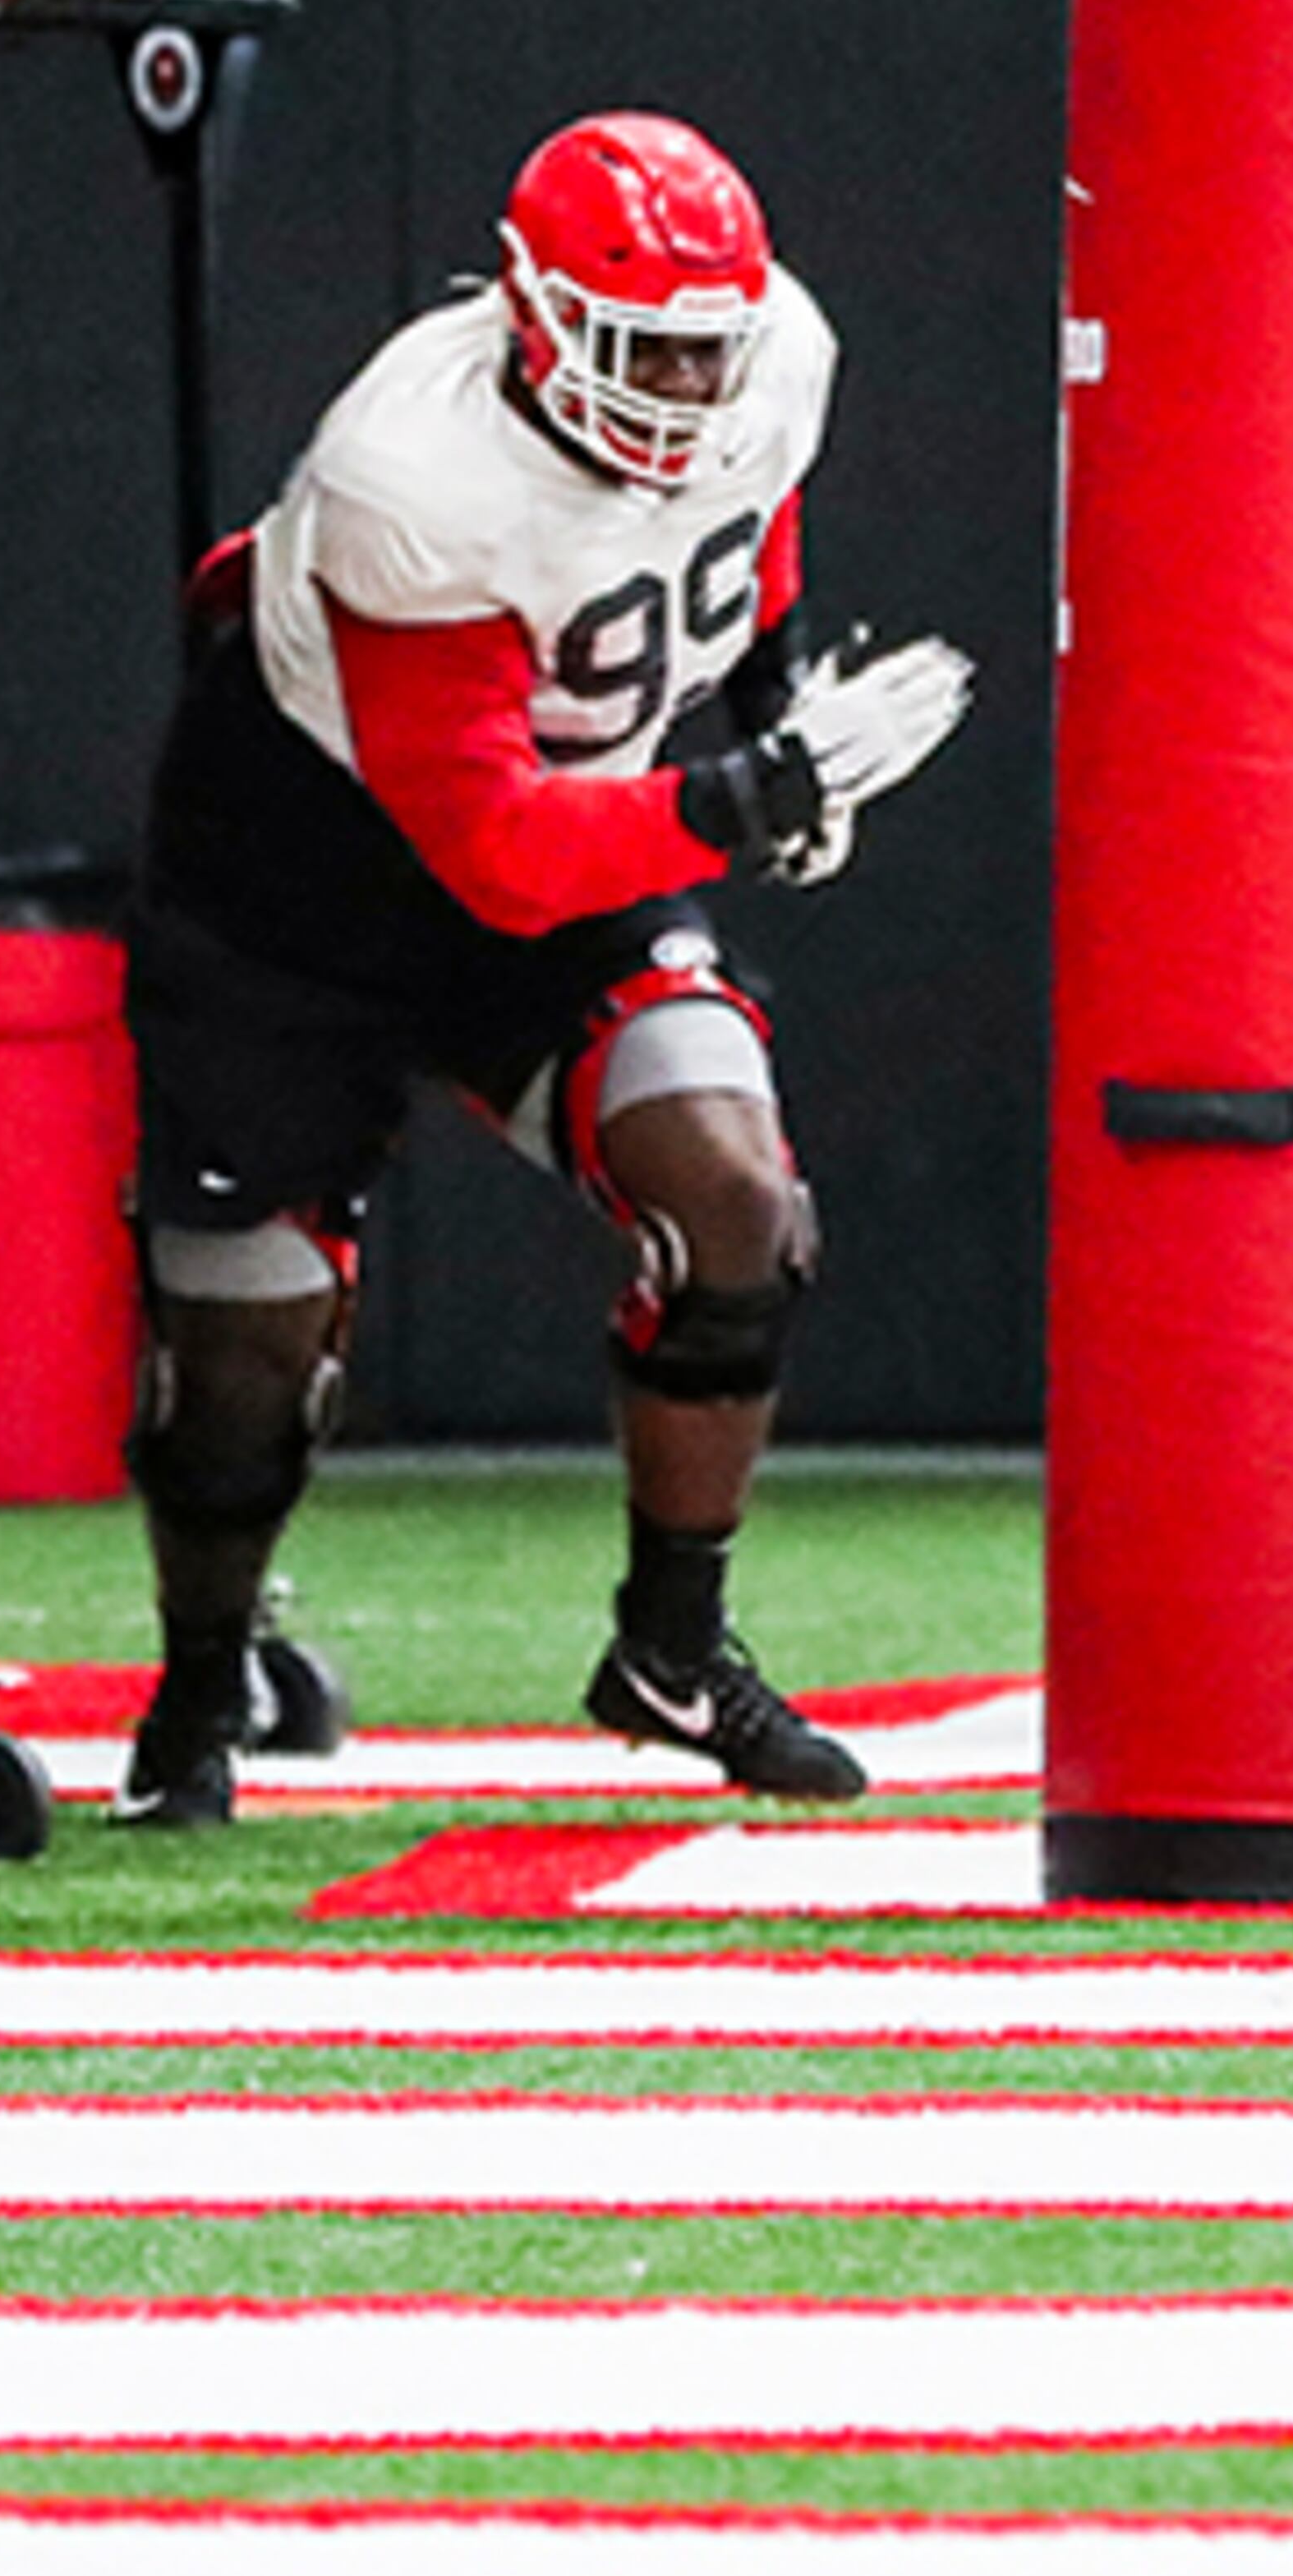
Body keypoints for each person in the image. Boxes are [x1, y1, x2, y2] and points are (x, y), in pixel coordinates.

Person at [114, 106, 973, 1826]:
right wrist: (748, 796)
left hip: (587, 815)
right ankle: (200, 1688)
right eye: (639, 346)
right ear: (530, 310)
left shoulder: (776, 360)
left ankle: (672, 1648)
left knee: (734, 1201)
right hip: (305, 880)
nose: (680, 391)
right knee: (244, 1353)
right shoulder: (409, 478)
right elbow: (496, 855)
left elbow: (751, 541)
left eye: (702, 350)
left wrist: (773, 700)